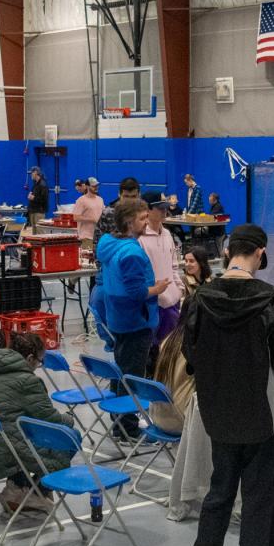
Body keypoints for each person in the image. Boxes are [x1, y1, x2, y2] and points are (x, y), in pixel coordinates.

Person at [182, 223, 274, 546]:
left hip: (218, 410)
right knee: (258, 496)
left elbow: (190, 353)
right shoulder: (271, 299)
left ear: (229, 252)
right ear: (260, 254)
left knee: (219, 490)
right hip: (261, 413)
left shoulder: (201, 298)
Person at [0, 332, 75, 511]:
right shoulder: (28, 381)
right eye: (40, 361)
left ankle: (18, 487)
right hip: (2, 455)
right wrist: (69, 419)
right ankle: (31, 492)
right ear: (30, 358)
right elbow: (51, 419)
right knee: (69, 437)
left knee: (19, 433)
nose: (39, 366)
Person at [94, 197, 169, 440]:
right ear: (128, 222)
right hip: (136, 321)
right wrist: (157, 288)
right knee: (132, 377)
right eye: (142, 218)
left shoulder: (108, 244)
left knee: (121, 373)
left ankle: (119, 425)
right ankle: (128, 428)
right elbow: (137, 292)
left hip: (118, 318)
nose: (146, 223)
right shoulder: (131, 253)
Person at [140, 192, 184, 345]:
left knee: (170, 349)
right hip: (152, 304)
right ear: (147, 209)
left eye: (166, 207)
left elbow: (174, 265)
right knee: (153, 351)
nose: (165, 211)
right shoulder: (139, 238)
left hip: (173, 302)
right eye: (160, 208)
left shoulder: (167, 234)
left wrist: (179, 289)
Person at [73, 177, 104, 251]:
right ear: (87, 186)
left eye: (97, 185)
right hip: (86, 237)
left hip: (99, 236)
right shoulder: (81, 200)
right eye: (94, 186)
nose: (96, 187)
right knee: (88, 260)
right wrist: (91, 219)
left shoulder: (100, 199)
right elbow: (75, 217)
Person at [26, 166, 49, 231]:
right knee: (34, 234)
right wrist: (30, 196)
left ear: (36, 173)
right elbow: (33, 195)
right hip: (33, 211)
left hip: (39, 212)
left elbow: (44, 199)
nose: (31, 175)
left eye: (31, 173)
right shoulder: (35, 184)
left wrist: (33, 198)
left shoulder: (43, 184)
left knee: (39, 232)